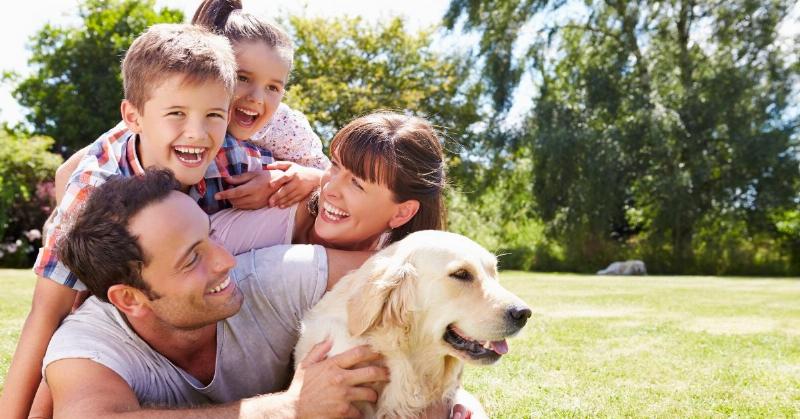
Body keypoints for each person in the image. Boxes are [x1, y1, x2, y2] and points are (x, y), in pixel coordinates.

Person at [0, 23, 281, 419]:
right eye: (177, 114)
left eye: (214, 115)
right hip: (121, 290)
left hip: (185, 284)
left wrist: (307, 181)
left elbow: (320, 188)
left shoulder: (231, 155)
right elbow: (47, 312)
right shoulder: (94, 191)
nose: (197, 133)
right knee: (71, 331)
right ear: (133, 117)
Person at [44, 169, 387, 417]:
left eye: (211, 235)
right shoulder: (89, 345)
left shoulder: (269, 277)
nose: (226, 261)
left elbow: (400, 272)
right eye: (192, 259)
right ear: (129, 299)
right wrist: (288, 407)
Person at [54, 0, 328, 210]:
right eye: (242, 78)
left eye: (273, 87)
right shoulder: (154, 124)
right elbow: (66, 173)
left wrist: (305, 179)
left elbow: (331, 175)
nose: (257, 98)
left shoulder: (283, 126)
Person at [210, 111, 448, 255]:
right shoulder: (277, 210)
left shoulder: (403, 275)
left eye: (357, 183)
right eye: (335, 165)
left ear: (402, 213)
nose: (329, 188)